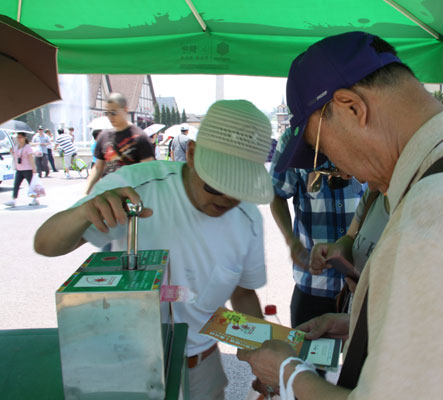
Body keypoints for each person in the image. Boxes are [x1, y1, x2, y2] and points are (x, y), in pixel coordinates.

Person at [238, 31, 443, 400]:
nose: (339, 170)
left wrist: (286, 373)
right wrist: (360, 323)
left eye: (321, 152)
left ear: (352, 107)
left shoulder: (437, 215)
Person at [34, 99, 275, 400]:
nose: (226, 200)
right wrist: (85, 212)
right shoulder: (136, 188)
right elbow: (45, 244)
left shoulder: (248, 219)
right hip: (128, 363)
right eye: (214, 184)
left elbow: (242, 293)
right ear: (192, 153)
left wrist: (263, 358)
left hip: (202, 366)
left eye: (239, 190)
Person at [269, 128, 364, 330]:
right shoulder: (295, 139)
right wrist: (291, 240)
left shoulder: (364, 132)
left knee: (362, 360)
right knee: (306, 359)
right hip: (313, 284)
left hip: (362, 284)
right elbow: (276, 193)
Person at [85, 92, 155, 194]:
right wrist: (86, 192)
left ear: (125, 110)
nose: (110, 116)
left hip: (133, 197)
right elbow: (98, 168)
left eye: (113, 112)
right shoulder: (103, 136)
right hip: (109, 195)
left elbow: (148, 172)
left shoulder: (140, 138)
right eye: (107, 113)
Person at [4, 132, 38, 207]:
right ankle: (13, 199)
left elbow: (31, 157)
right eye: (18, 137)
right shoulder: (16, 146)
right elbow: (15, 156)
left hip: (27, 169)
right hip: (19, 169)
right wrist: (11, 152)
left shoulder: (27, 147)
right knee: (16, 185)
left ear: (24, 138)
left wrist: (33, 168)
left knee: (31, 185)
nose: (18, 139)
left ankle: (35, 199)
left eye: (20, 137)